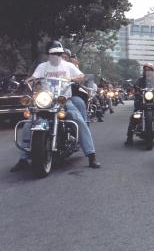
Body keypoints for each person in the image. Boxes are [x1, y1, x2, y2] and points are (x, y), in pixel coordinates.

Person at [11, 40, 100, 172]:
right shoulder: (42, 66)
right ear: (48, 54)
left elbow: (81, 76)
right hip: (45, 100)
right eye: (54, 53)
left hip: (63, 100)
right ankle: (23, 159)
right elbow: (34, 77)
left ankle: (91, 155)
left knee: (78, 120)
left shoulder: (68, 66)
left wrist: (75, 79)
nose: (56, 56)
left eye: (59, 53)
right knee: (29, 123)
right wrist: (27, 81)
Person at [124, 63, 154, 145]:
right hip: (142, 98)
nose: (147, 71)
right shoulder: (140, 80)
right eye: (145, 70)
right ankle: (129, 137)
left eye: (149, 70)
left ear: (152, 71)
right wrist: (134, 90)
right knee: (135, 114)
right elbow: (135, 87)